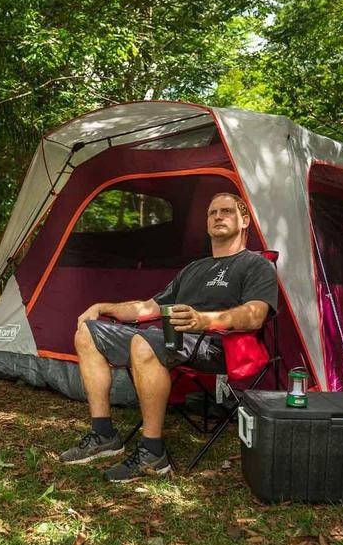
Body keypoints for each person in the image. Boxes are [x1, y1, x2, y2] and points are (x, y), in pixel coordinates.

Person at [60, 192, 278, 482]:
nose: (218, 216)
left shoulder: (256, 265)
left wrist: (205, 319)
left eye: (226, 211)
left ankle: (152, 453)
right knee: (87, 332)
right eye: (212, 213)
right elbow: (148, 307)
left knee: (144, 341)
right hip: (172, 339)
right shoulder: (193, 269)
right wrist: (102, 307)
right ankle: (104, 434)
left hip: (218, 345)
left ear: (244, 221)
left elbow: (256, 314)